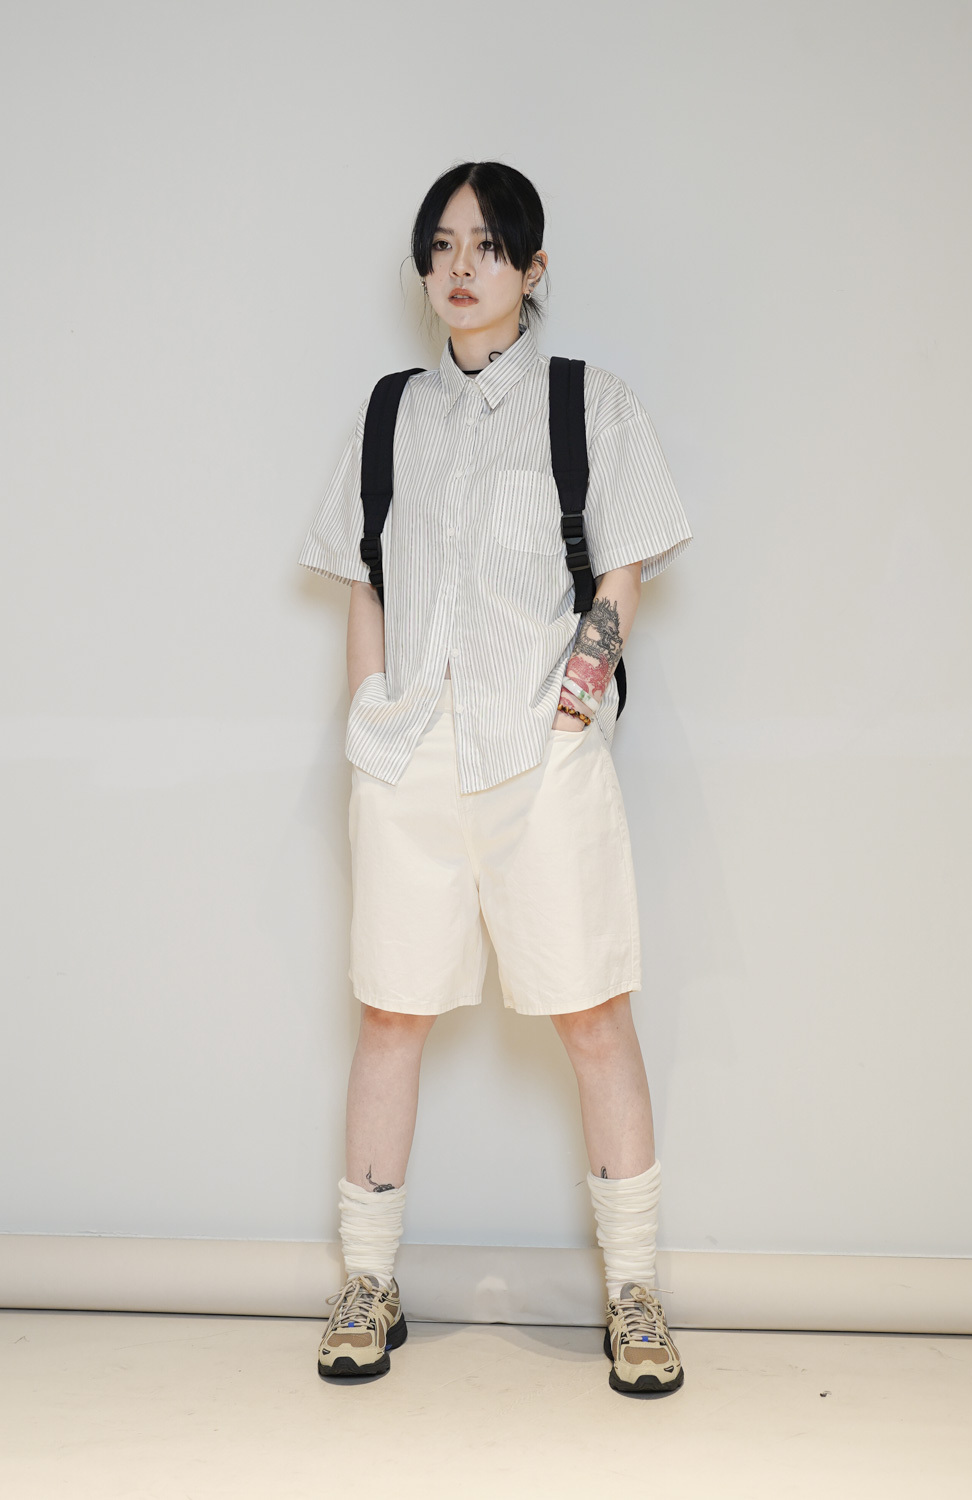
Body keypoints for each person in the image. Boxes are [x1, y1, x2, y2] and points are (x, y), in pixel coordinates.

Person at [298, 161, 693, 1396]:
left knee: (592, 1012)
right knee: (391, 1010)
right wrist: (369, 715)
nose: (459, 266)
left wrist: (585, 684)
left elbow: (623, 563)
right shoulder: (388, 414)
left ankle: (634, 1292)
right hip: (409, 756)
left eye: (486, 245)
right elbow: (365, 576)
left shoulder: (589, 404)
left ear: (532, 268)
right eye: (441, 245)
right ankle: (368, 1282)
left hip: (541, 753)